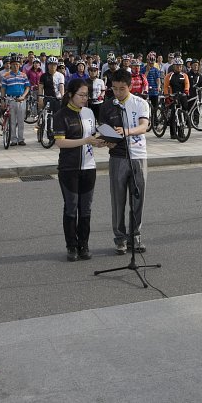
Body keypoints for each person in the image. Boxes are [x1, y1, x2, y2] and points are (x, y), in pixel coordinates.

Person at [98, 69, 151, 255]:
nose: (118, 93)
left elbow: (144, 126)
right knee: (118, 200)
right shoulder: (107, 106)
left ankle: (135, 237)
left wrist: (126, 131)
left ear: (129, 87)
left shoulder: (140, 103)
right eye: (114, 89)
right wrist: (106, 142)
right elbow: (103, 131)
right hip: (117, 157)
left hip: (137, 155)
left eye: (122, 89)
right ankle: (120, 239)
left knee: (138, 198)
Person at [54, 79, 106, 261]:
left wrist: (100, 142)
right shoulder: (61, 115)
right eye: (82, 95)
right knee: (71, 207)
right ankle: (71, 246)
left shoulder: (90, 112)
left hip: (89, 166)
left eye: (87, 95)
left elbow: (91, 136)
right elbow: (60, 142)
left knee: (86, 209)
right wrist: (85, 141)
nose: (85, 99)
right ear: (70, 94)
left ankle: (84, 244)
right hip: (69, 168)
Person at [1, 57, 30, 146]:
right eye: (13, 64)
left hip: (21, 100)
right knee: (12, 121)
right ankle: (13, 139)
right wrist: (3, 100)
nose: (15, 66)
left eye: (17, 64)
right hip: (11, 100)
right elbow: (3, 88)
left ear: (19, 65)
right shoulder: (6, 76)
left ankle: (21, 139)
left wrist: (23, 96)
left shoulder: (23, 75)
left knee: (21, 121)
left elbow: (27, 87)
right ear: (10, 65)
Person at [163, 58, 190, 139]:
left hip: (182, 95)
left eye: (180, 66)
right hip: (172, 95)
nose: (179, 68)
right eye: (177, 66)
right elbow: (165, 86)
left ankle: (181, 131)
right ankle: (173, 133)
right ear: (174, 66)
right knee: (173, 114)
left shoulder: (184, 75)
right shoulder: (169, 75)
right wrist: (167, 96)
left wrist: (186, 90)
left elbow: (187, 84)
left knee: (183, 112)